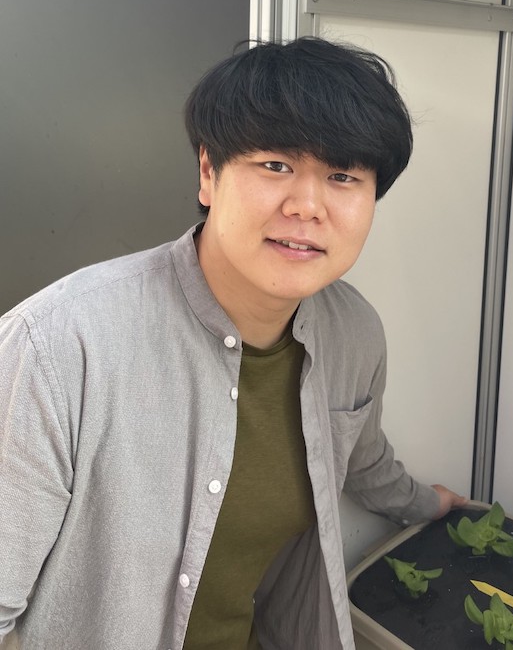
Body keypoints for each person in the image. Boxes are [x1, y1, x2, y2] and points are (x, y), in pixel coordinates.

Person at [0, 37, 466, 650]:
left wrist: (426, 506)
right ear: (207, 173)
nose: (307, 206)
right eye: (276, 165)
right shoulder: (59, 345)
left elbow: (359, 455)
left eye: (342, 176)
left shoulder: (354, 332)